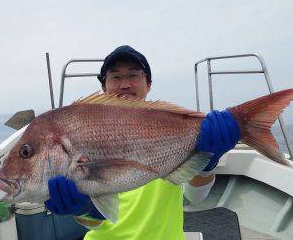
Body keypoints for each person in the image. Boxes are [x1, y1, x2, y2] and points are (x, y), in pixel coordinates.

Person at [45, 45, 240, 240]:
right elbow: (96, 223)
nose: (125, 84)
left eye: (133, 75)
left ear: (148, 84)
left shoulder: (172, 127)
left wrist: (208, 162)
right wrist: (86, 210)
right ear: (104, 88)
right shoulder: (83, 133)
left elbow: (195, 197)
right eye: (116, 77)